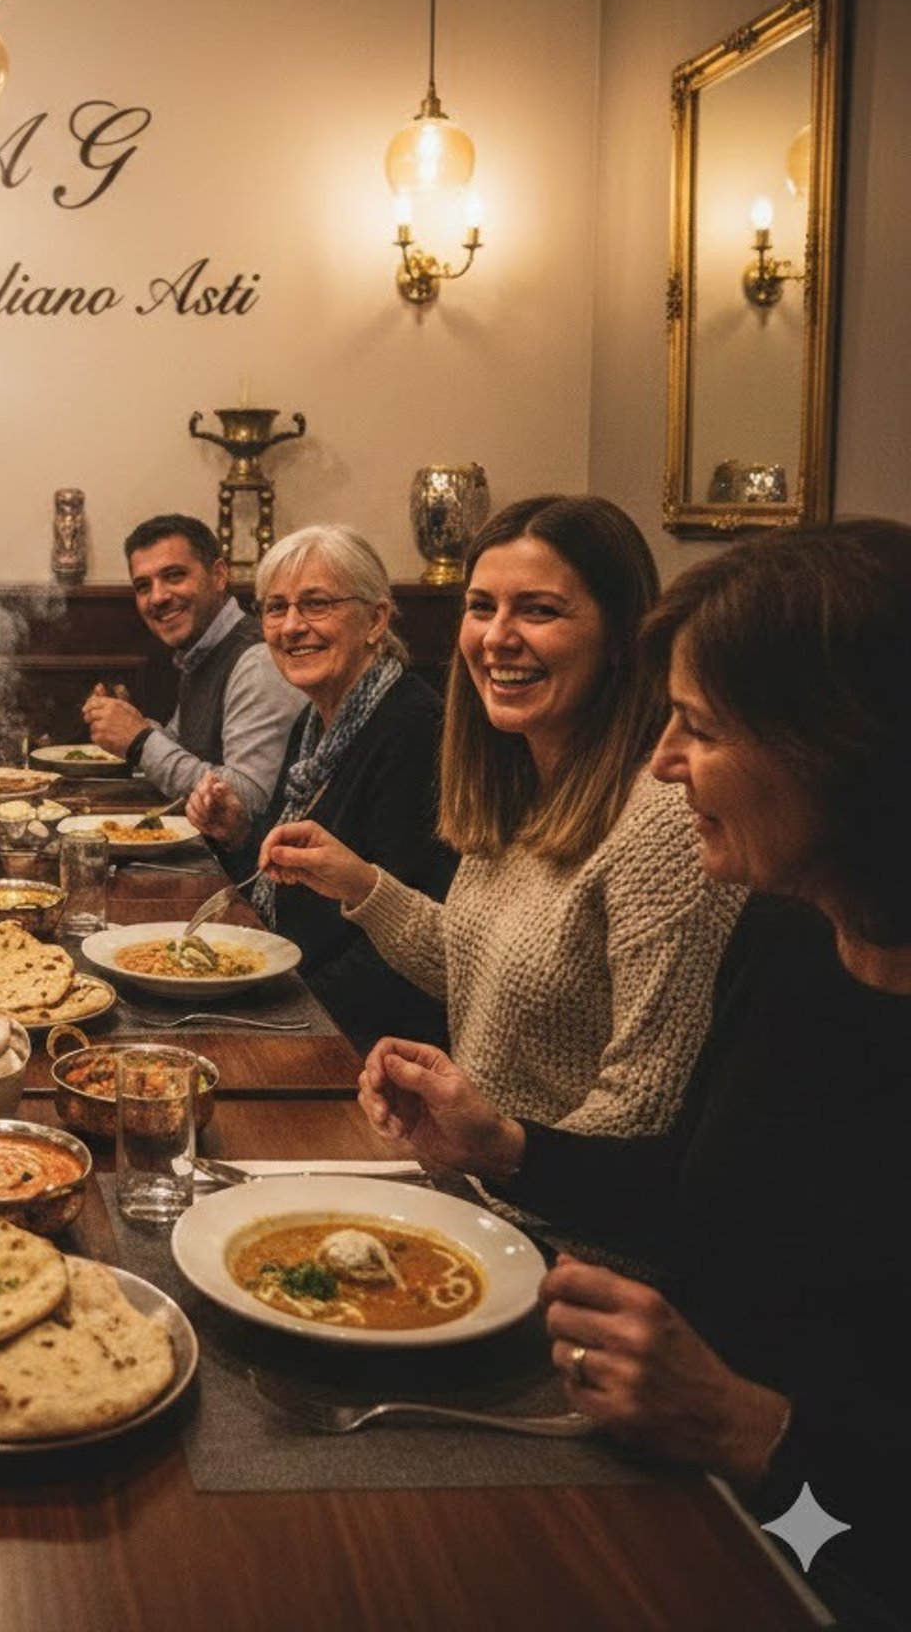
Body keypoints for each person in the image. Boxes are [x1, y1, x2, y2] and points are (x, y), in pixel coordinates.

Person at [355, 520, 911, 1629]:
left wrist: (751, 1431)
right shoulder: (792, 934)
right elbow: (697, 1190)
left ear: (831, 749)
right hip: (668, 1450)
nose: (661, 763)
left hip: (810, 1535)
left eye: (697, 728)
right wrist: (501, 1145)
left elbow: (868, 1559)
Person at [262, 495, 742, 1138]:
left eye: (539, 610)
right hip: (476, 1178)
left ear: (623, 638)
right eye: (482, 607)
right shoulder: (514, 783)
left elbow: (644, 1105)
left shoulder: (664, 825)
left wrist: (501, 1149)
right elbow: (474, 957)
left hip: (554, 1219)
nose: (497, 638)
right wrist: (361, 885)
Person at [186, 525, 455, 1049]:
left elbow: (400, 947)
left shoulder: (416, 731)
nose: (291, 627)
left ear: (376, 620)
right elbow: (281, 892)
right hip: (296, 991)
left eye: (316, 604)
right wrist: (239, 834)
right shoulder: (314, 724)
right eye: (275, 607)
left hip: (366, 1038)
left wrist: (282, 1020)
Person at [82, 513, 302, 824]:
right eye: (143, 586)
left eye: (174, 576)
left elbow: (246, 798)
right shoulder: (201, 648)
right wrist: (132, 724)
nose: (157, 597)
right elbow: (183, 749)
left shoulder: (257, 660)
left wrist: (139, 740)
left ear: (219, 575)